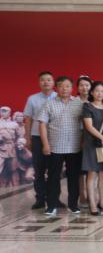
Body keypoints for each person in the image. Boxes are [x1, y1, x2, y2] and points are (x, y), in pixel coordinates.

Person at [38, 76, 83, 216]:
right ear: (56, 88)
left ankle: (73, 205)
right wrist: (45, 144)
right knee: (53, 177)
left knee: (73, 177)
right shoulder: (49, 104)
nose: (64, 89)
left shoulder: (79, 103)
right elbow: (42, 125)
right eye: (61, 86)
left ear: (72, 88)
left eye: (67, 86)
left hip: (75, 147)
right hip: (55, 147)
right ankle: (51, 205)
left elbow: (85, 124)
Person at [23, 71, 57, 210]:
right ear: (39, 83)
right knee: (39, 170)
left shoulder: (59, 97)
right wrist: (28, 138)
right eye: (43, 80)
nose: (46, 82)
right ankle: (40, 199)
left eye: (49, 79)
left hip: (55, 138)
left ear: (53, 82)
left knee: (54, 171)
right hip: (37, 138)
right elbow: (28, 120)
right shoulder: (32, 99)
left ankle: (54, 199)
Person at [81, 82, 103, 215]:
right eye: (97, 91)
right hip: (91, 144)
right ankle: (93, 204)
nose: (100, 94)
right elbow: (89, 126)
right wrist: (102, 138)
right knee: (92, 174)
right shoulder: (87, 106)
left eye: (102, 91)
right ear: (92, 92)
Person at [76, 76, 92, 209]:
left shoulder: (95, 101)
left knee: (92, 170)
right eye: (81, 85)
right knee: (80, 170)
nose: (84, 88)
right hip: (77, 137)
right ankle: (82, 196)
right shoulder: (73, 101)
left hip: (92, 137)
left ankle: (93, 197)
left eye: (87, 85)